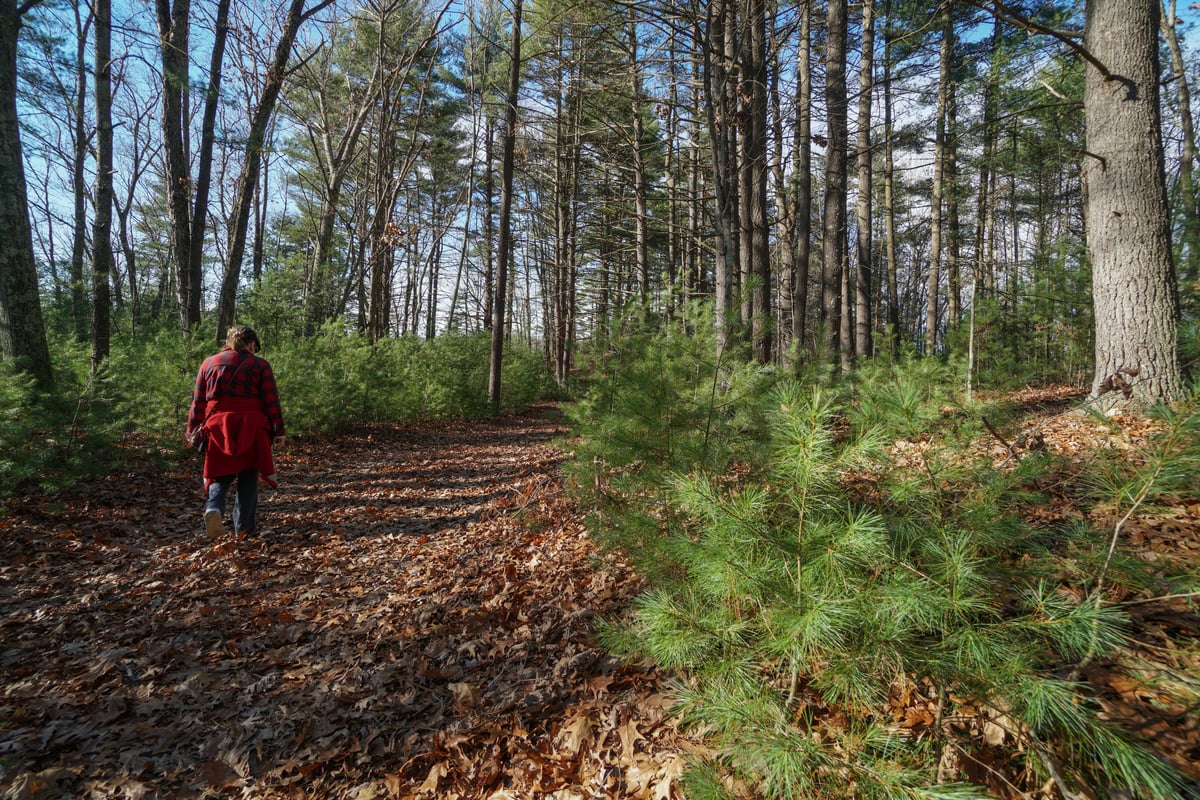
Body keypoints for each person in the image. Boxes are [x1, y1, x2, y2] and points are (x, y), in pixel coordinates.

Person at [186, 325, 286, 538]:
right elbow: (271, 401)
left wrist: (192, 430)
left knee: (218, 473)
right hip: (252, 427)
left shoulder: (208, 363)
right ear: (251, 344)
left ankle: (214, 507)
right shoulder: (260, 366)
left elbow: (198, 402)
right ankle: (244, 528)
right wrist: (279, 430)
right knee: (248, 475)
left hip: (218, 427)